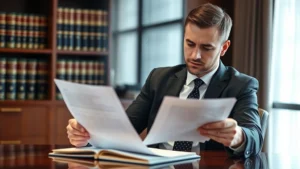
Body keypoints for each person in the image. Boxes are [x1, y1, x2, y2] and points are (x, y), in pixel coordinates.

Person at [66, 3, 263, 158]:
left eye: (207, 48)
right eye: (190, 44)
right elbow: (124, 130)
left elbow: (254, 137)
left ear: (224, 48)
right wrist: (87, 137)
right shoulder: (159, 78)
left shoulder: (241, 85)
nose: (195, 55)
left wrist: (238, 136)